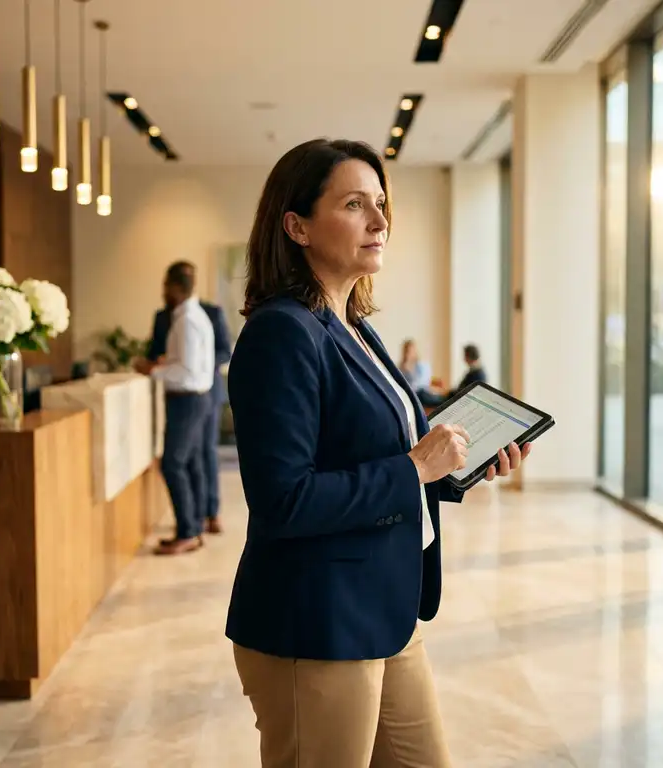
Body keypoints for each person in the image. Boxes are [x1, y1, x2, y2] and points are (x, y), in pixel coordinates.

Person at [224, 138, 531, 767]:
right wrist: (418, 466)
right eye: (355, 204)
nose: (380, 221)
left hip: (383, 609)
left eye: (382, 204)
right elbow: (285, 499)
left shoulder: (354, 325)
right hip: (317, 622)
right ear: (298, 226)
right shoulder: (281, 333)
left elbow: (386, 454)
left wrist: (455, 471)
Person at [135, 262, 215, 555]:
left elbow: (187, 373)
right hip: (191, 399)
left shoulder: (188, 320)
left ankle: (187, 531)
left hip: (188, 400)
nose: (163, 291)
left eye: (165, 285)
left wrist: (152, 372)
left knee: (173, 464)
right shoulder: (190, 317)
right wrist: (162, 366)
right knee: (189, 463)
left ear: (176, 287)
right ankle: (192, 528)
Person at [148, 262, 233, 534]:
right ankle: (194, 522)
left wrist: (159, 370)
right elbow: (164, 353)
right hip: (188, 391)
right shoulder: (171, 316)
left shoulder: (197, 317)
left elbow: (216, 355)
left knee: (192, 458)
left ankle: (203, 517)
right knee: (191, 459)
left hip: (197, 393)